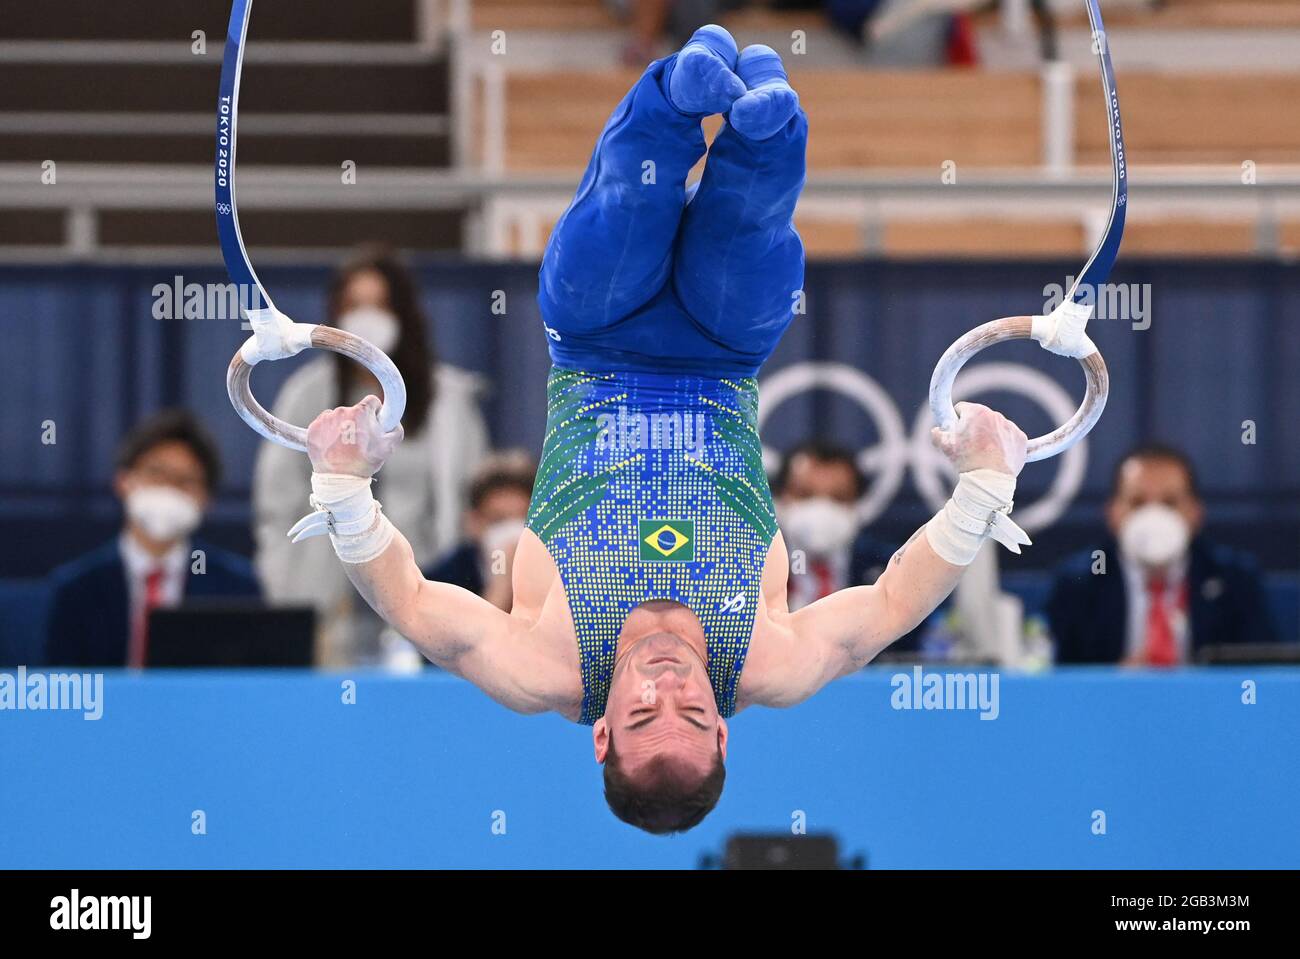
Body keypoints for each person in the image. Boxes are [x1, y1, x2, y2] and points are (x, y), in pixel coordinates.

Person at [286, 27, 1031, 834]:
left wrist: (343, 488)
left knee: (625, 206)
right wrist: (982, 490)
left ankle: (680, 90)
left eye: (642, 716)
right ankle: (763, 125)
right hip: (725, 351)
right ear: (725, 733)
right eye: (693, 712)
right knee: (754, 222)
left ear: (600, 733)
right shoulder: (770, 662)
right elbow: (892, 601)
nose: (668, 687)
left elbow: (415, 603)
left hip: (595, 338)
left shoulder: (548, 667)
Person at [253, 245, 489, 666]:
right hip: (328, 603)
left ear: (403, 314)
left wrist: (451, 587)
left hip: (423, 593)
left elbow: (472, 504)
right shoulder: (305, 394)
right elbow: (276, 507)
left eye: (379, 305)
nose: (367, 317)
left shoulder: (448, 401)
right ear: (335, 314)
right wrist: (290, 595)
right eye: (355, 305)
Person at [46, 409, 260, 667]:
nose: (169, 488)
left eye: (186, 480)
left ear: (207, 499)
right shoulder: (76, 589)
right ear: (123, 480)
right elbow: (63, 688)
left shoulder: (237, 589)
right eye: (156, 473)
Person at [1047, 443, 1277, 665]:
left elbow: (1263, 672)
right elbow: (1055, 679)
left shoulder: (1235, 579)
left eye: (1169, 503)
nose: (1153, 516)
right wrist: (1115, 685)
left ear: (1196, 512)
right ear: (1113, 513)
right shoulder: (1078, 583)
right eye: (1137, 503)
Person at [423, 450, 537, 613]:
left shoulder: (557, 575)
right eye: (499, 521)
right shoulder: (441, 582)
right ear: (473, 522)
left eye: (522, 520)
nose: (512, 532)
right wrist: (502, 581)